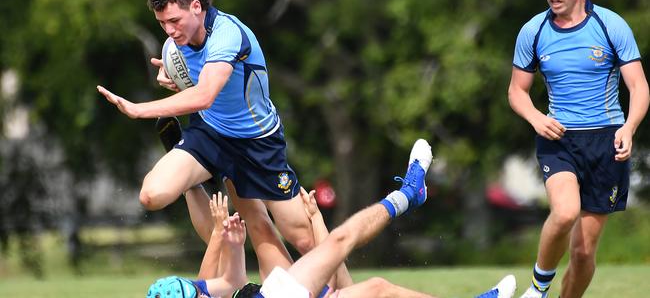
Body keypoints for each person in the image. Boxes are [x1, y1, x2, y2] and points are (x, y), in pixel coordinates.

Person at [97, 0, 315, 277]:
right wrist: (170, 75)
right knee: (151, 195)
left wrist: (138, 109)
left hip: (257, 141)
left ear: (197, 7)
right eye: (162, 24)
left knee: (303, 238)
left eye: (174, 21)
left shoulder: (227, 33)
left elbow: (204, 95)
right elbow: (189, 79)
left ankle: (346, 292)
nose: (170, 31)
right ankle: (194, 178)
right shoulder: (174, 45)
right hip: (210, 132)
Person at [147, 139, 518, 298]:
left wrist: (224, 237)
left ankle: (220, 157)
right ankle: (407, 194)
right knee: (371, 282)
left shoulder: (192, 291)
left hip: (266, 294)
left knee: (255, 220)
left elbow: (224, 280)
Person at [508, 0, 649, 298]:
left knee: (583, 252)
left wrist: (629, 128)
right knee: (566, 211)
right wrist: (535, 118)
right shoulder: (533, 31)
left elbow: (639, 86)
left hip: (606, 142)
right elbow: (516, 91)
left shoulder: (610, 25)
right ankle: (539, 287)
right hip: (559, 139)